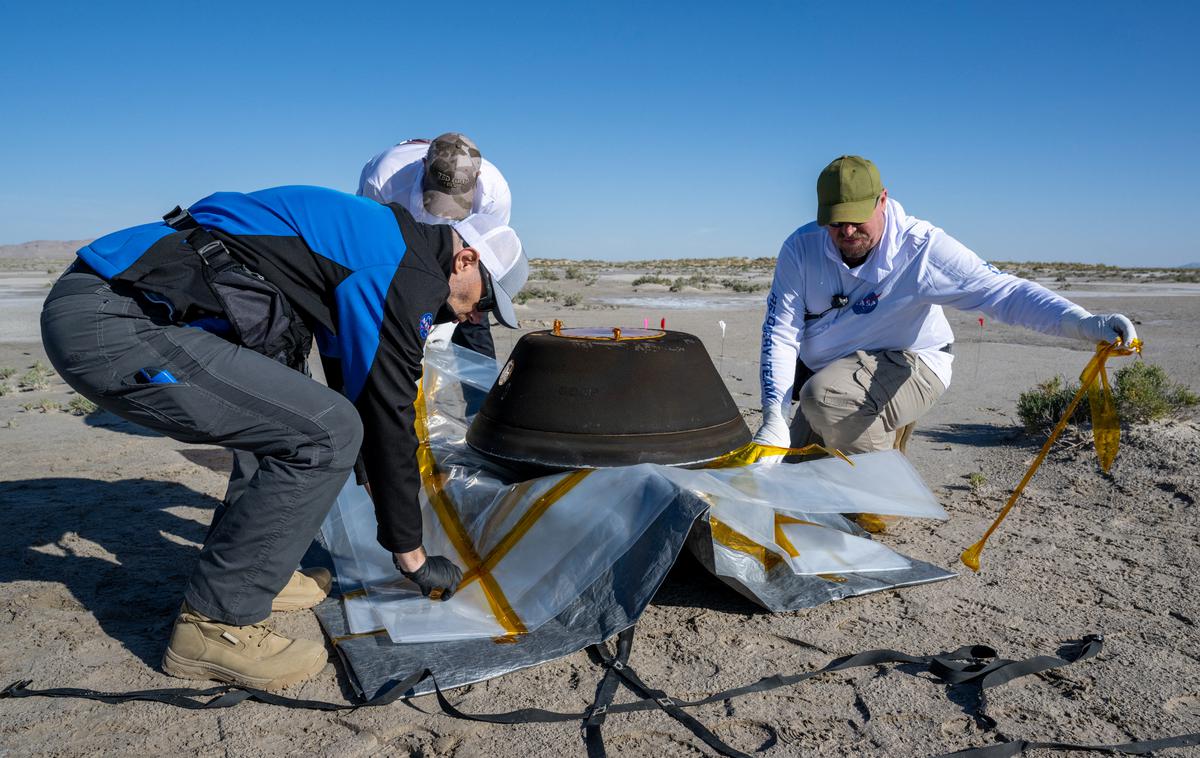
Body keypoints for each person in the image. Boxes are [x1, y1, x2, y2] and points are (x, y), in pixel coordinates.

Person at [40, 185, 528, 689]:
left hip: (118, 303)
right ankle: (215, 624)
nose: (475, 317)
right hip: (115, 321)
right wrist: (411, 554)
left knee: (294, 414)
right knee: (327, 432)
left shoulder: (386, 241)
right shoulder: (406, 272)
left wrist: (370, 475)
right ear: (464, 259)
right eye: (484, 301)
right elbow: (386, 411)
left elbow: (355, 379)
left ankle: (254, 571)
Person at [754, 155, 1137, 456]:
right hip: (836, 371)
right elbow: (782, 331)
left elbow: (1004, 293)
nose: (846, 232)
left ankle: (885, 500)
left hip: (912, 361)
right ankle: (871, 438)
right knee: (795, 469)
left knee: (824, 401)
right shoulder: (800, 249)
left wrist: (1083, 323)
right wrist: (774, 416)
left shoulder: (923, 249)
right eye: (836, 223)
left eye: (856, 219)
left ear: (882, 200)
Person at [358, 133, 512, 364]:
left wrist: (465, 301)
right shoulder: (383, 179)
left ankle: (482, 399)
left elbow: (487, 259)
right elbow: (375, 250)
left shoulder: (495, 193)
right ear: (424, 165)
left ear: (477, 177)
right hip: (398, 250)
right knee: (390, 333)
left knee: (475, 331)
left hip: (459, 262)